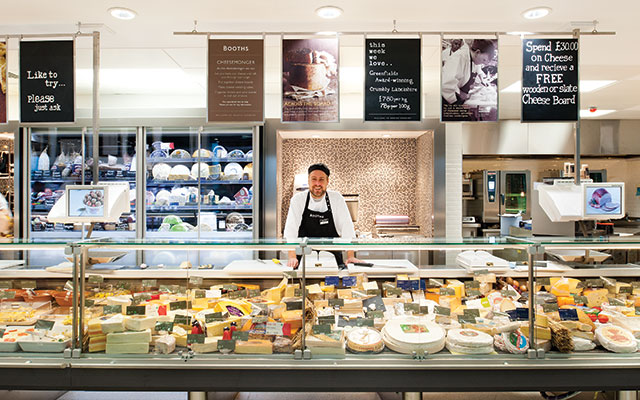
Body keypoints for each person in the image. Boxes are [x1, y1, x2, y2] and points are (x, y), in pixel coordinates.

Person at [284, 163, 361, 269]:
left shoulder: (336, 198)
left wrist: (350, 256)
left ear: (327, 181)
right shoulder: (298, 200)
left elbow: (347, 228)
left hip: (333, 258)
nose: (317, 183)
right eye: (314, 179)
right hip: (304, 259)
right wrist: (292, 257)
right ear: (308, 180)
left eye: (321, 179)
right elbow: (291, 230)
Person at [441, 39, 496, 105]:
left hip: (459, 95)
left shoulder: (473, 58)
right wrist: (460, 94)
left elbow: (477, 69)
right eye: (483, 60)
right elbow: (446, 84)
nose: (484, 63)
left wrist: (481, 80)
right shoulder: (459, 58)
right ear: (477, 52)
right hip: (447, 98)